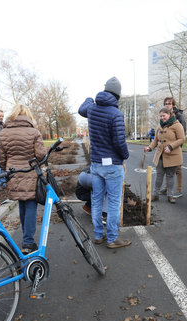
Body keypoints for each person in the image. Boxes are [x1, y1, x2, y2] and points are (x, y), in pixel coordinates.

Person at [78, 76, 131, 249]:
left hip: (96, 164)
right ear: (118, 95)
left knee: (96, 200)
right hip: (113, 166)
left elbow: (81, 109)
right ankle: (113, 239)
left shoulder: (92, 109)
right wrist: (125, 156)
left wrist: (88, 98)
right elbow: (119, 142)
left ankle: (99, 235)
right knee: (114, 203)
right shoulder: (116, 114)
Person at [0, 104, 48, 254]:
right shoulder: (33, 132)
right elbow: (41, 155)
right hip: (30, 173)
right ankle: (28, 242)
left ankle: (26, 239)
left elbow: (1, 158)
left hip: (13, 174)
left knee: (22, 204)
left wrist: (8, 167)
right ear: (27, 116)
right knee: (31, 205)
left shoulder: (3, 133)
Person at [144, 107, 184, 203]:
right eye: (161, 116)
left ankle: (170, 195)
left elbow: (182, 139)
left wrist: (170, 147)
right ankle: (155, 194)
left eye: (164, 115)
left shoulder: (177, 125)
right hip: (160, 155)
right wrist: (149, 148)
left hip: (173, 155)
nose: (162, 118)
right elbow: (155, 141)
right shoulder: (159, 126)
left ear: (169, 115)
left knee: (170, 176)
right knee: (159, 176)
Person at [162, 97, 186, 198]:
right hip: (167, 147)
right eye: (166, 103)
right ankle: (167, 187)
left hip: (176, 147)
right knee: (168, 167)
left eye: (169, 103)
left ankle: (178, 190)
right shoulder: (165, 116)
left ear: (173, 105)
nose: (167, 105)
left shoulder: (179, 116)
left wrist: (178, 146)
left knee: (178, 169)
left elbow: (183, 133)